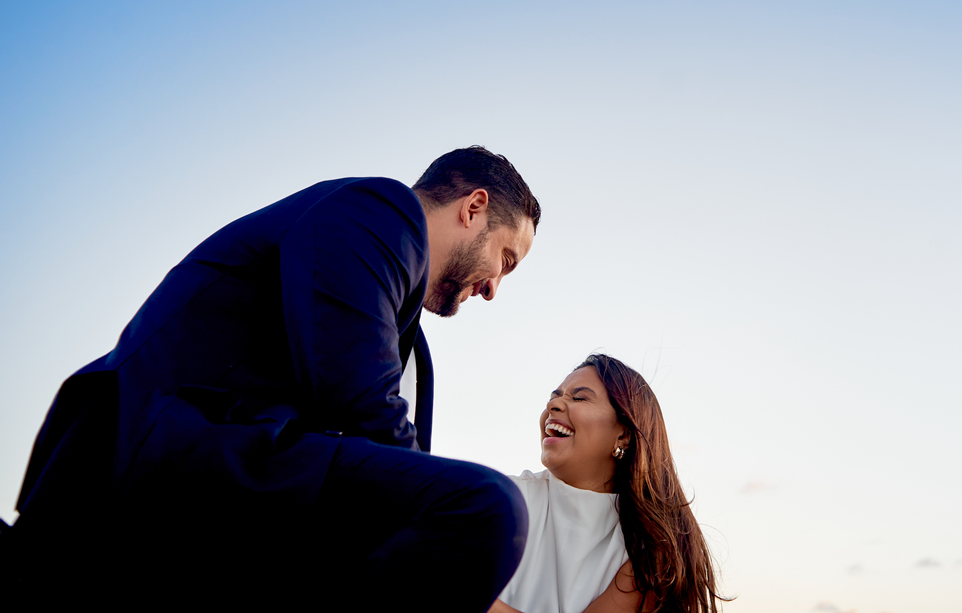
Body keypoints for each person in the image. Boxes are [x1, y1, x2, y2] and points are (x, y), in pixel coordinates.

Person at [10, 146, 540, 610]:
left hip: (228, 471)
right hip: (156, 453)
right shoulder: (380, 212)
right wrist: (436, 528)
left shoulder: (408, 331)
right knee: (485, 508)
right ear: (474, 208)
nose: (494, 287)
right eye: (506, 260)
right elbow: (355, 394)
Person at [492, 354, 727, 613]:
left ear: (624, 434)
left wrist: (462, 595)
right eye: (554, 397)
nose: (554, 404)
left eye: (579, 398)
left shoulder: (650, 548)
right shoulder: (498, 500)